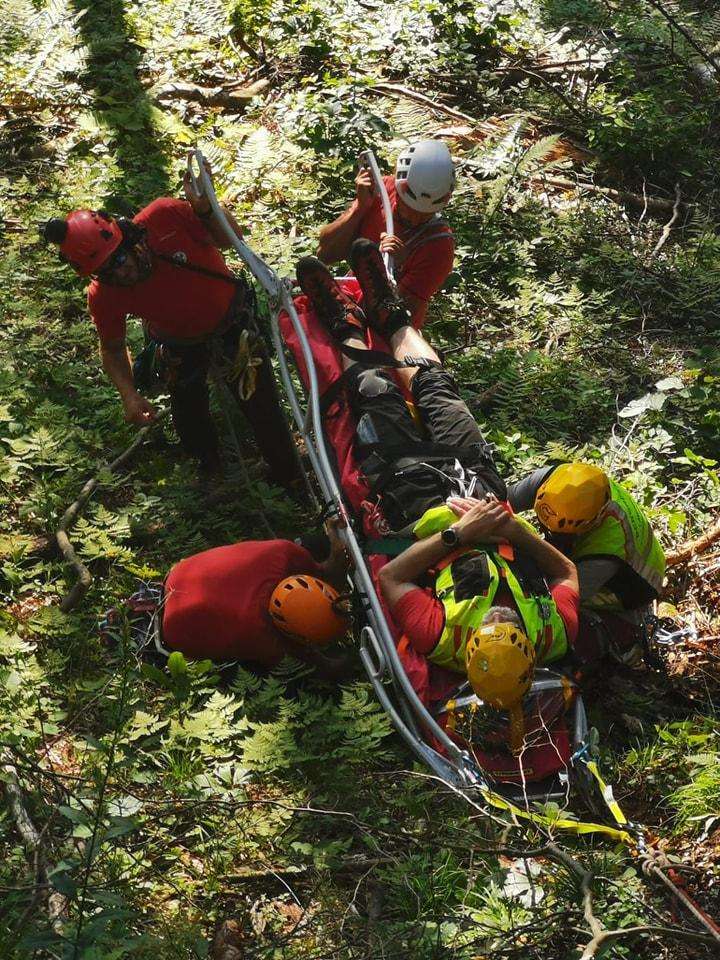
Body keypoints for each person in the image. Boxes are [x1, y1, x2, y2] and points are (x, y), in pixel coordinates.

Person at [294, 244, 581, 741]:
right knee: (436, 386)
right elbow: (567, 571)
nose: (498, 612)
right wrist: (511, 526)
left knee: (371, 391)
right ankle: (391, 314)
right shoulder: (551, 633)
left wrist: (456, 535)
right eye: (506, 619)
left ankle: (342, 324)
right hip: (483, 488)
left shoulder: (443, 636)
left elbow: (394, 580)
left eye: (491, 622)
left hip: (413, 497)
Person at [41, 158, 298, 482]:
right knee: (189, 416)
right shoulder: (104, 295)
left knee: (261, 407)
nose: (121, 271)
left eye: (120, 258)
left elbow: (231, 238)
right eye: (106, 270)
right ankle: (209, 472)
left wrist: (206, 210)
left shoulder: (164, 217)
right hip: (179, 341)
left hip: (231, 322)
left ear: (128, 237)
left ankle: (287, 473)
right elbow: (113, 347)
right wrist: (129, 395)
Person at [508, 462, 666, 663]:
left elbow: (559, 593)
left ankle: (625, 638)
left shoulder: (606, 550)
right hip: (596, 554)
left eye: (561, 535)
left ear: (591, 524)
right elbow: (505, 498)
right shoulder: (556, 478)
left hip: (632, 586)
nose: (551, 535)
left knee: (563, 637)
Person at [160, 520, 350, 671]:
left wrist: (335, 543)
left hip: (178, 576)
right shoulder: (263, 637)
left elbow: (327, 570)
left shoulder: (283, 553)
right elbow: (318, 666)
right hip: (175, 629)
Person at [317, 140, 456, 328]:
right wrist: (360, 208)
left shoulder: (439, 248)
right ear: (399, 191)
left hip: (387, 332)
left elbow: (397, 316)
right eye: (409, 209)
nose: (414, 220)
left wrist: (395, 266)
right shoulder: (381, 191)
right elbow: (325, 253)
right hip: (347, 305)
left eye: (424, 215)